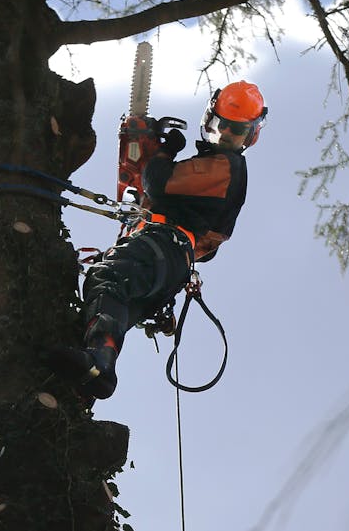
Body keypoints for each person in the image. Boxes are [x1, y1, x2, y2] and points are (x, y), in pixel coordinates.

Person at [51, 81, 268, 399]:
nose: (225, 135)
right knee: (105, 302)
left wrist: (165, 151)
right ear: (211, 120)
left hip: (165, 247)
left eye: (236, 131)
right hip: (169, 262)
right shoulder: (212, 170)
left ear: (250, 134)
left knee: (107, 276)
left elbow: (158, 181)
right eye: (222, 126)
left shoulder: (228, 167)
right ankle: (95, 369)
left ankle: (98, 363)